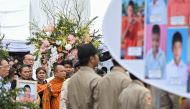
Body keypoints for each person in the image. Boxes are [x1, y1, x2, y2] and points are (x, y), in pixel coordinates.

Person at [67, 43, 102, 109]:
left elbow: (68, 104)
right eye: (97, 55)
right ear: (92, 59)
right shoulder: (96, 79)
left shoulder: (72, 79)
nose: (98, 57)